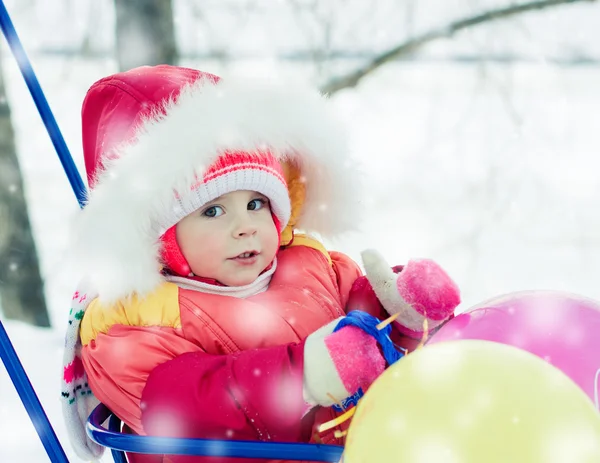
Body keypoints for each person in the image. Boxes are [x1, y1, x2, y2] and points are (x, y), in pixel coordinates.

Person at [60, 65, 461, 463]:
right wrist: (304, 376)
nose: (245, 228)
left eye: (256, 204)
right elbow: (181, 404)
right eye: (213, 211)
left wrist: (400, 314)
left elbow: (365, 338)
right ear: (156, 237)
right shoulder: (131, 320)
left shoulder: (310, 265)